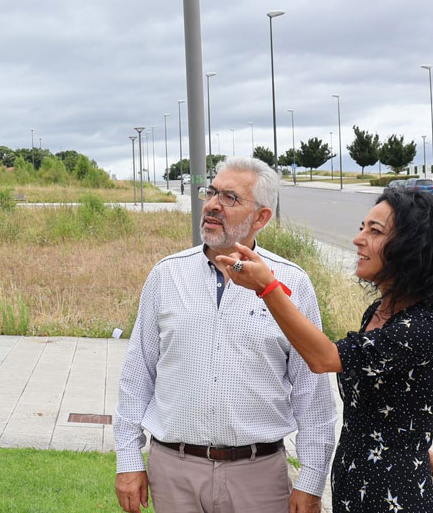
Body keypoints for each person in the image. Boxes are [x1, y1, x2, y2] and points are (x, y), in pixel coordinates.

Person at [216, 188, 433, 512]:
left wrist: (267, 287)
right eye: (362, 227)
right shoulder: (379, 312)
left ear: (411, 246)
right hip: (358, 490)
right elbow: (387, 412)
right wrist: (415, 448)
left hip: (394, 500)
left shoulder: (423, 327)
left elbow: (324, 357)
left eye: (375, 231)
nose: (358, 239)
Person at [113, 157, 338, 513]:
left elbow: (313, 396)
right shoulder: (166, 275)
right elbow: (138, 374)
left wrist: (311, 480)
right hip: (174, 471)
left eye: (230, 198)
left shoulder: (291, 282)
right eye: (212, 193)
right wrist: (127, 458)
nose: (214, 205)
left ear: (261, 217)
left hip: (258, 476)